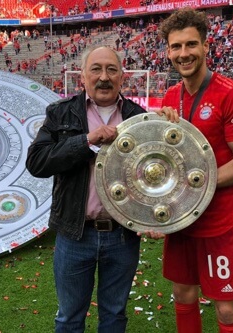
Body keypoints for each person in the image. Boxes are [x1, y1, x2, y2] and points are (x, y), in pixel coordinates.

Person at [148, 8, 233, 333]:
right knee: (182, 293)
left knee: (225, 308)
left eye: (191, 45)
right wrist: (157, 214)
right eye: (176, 47)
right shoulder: (169, 98)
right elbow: (164, 166)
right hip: (183, 221)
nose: (184, 54)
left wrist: (194, 191)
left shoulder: (231, 94)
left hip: (219, 222)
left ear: (206, 46)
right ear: (168, 51)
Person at [26, 46, 146, 333]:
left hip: (122, 236)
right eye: (96, 69)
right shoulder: (60, 113)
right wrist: (87, 141)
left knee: (115, 315)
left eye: (111, 69)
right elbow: (37, 162)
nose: (103, 77)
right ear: (82, 76)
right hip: (74, 235)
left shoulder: (139, 117)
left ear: (122, 76)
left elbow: (151, 175)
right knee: (69, 317)